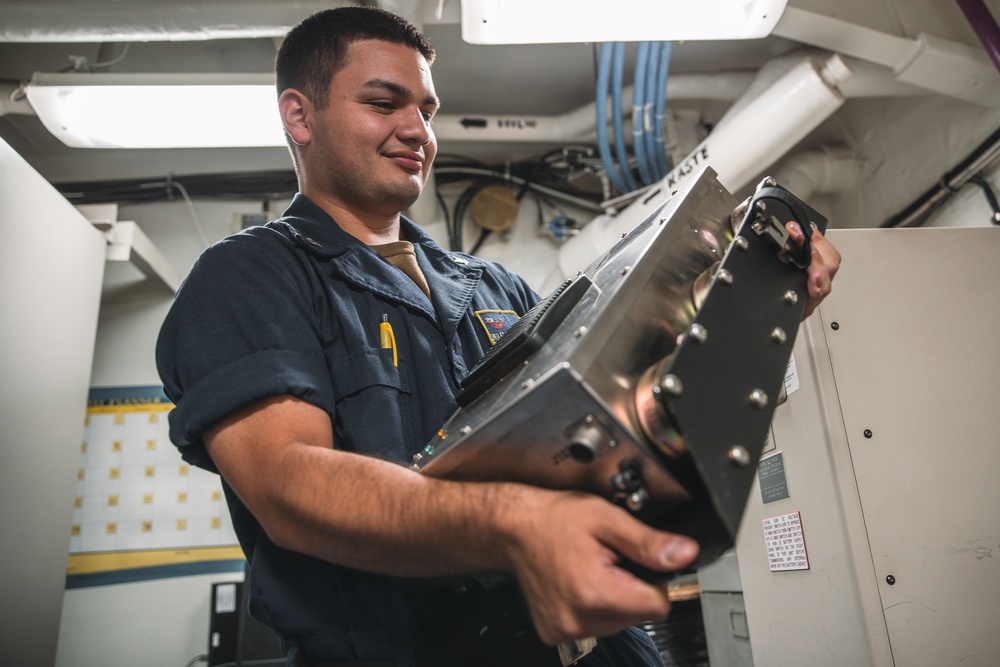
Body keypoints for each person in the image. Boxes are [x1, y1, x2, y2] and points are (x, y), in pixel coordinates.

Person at [156, 7, 841, 666]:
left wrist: (744, 298)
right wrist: (516, 522)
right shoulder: (249, 277)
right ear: (299, 115)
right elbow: (288, 485)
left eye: (425, 109)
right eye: (383, 101)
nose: (416, 129)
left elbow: (633, 405)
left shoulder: (495, 287)